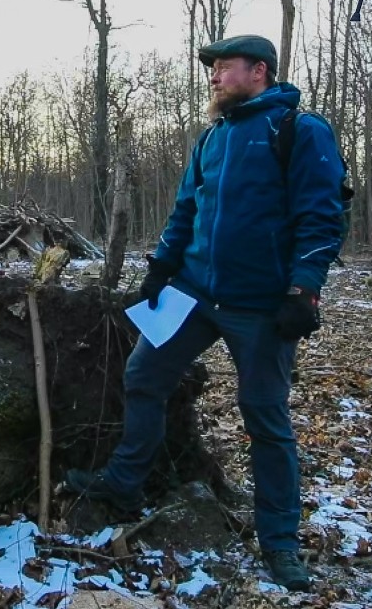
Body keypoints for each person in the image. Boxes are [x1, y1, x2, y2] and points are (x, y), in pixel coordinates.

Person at [63, 35, 345, 592]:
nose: (214, 77)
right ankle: (123, 483)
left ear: (258, 71)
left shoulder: (299, 130)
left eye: (224, 67)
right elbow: (186, 209)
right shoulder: (213, 137)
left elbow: (322, 216)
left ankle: (280, 541)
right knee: (143, 376)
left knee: (264, 415)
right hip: (192, 293)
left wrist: (303, 289)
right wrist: (161, 268)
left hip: (260, 304)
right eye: (212, 69)